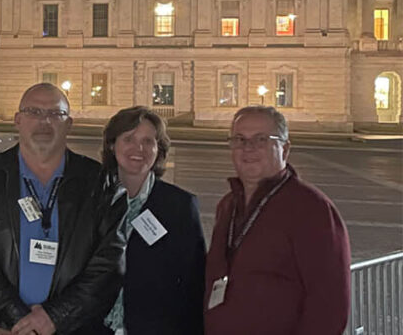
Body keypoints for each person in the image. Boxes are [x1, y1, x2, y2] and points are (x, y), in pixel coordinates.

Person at [0, 82, 124, 335]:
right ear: (18, 120)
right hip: (2, 330)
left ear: (69, 124)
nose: (44, 122)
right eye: (34, 112)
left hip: (73, 329)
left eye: (55, 114)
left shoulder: (99, 183)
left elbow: (109, 264)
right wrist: (16, 320)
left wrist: (54, 318)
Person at [204, 105, 350, 335]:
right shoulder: (228, 205)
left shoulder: (311, 208)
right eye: (239, 139)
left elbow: (329, 305)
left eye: (261, 139)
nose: (248, 148)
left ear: (285, 149)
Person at [99, 106, 204, 335]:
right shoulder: (90, 199)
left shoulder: (180, 206)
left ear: (159, 149)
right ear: (111, 144)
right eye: (129, 139)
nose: (139, 148)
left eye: (148, 141)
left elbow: (193, 285)